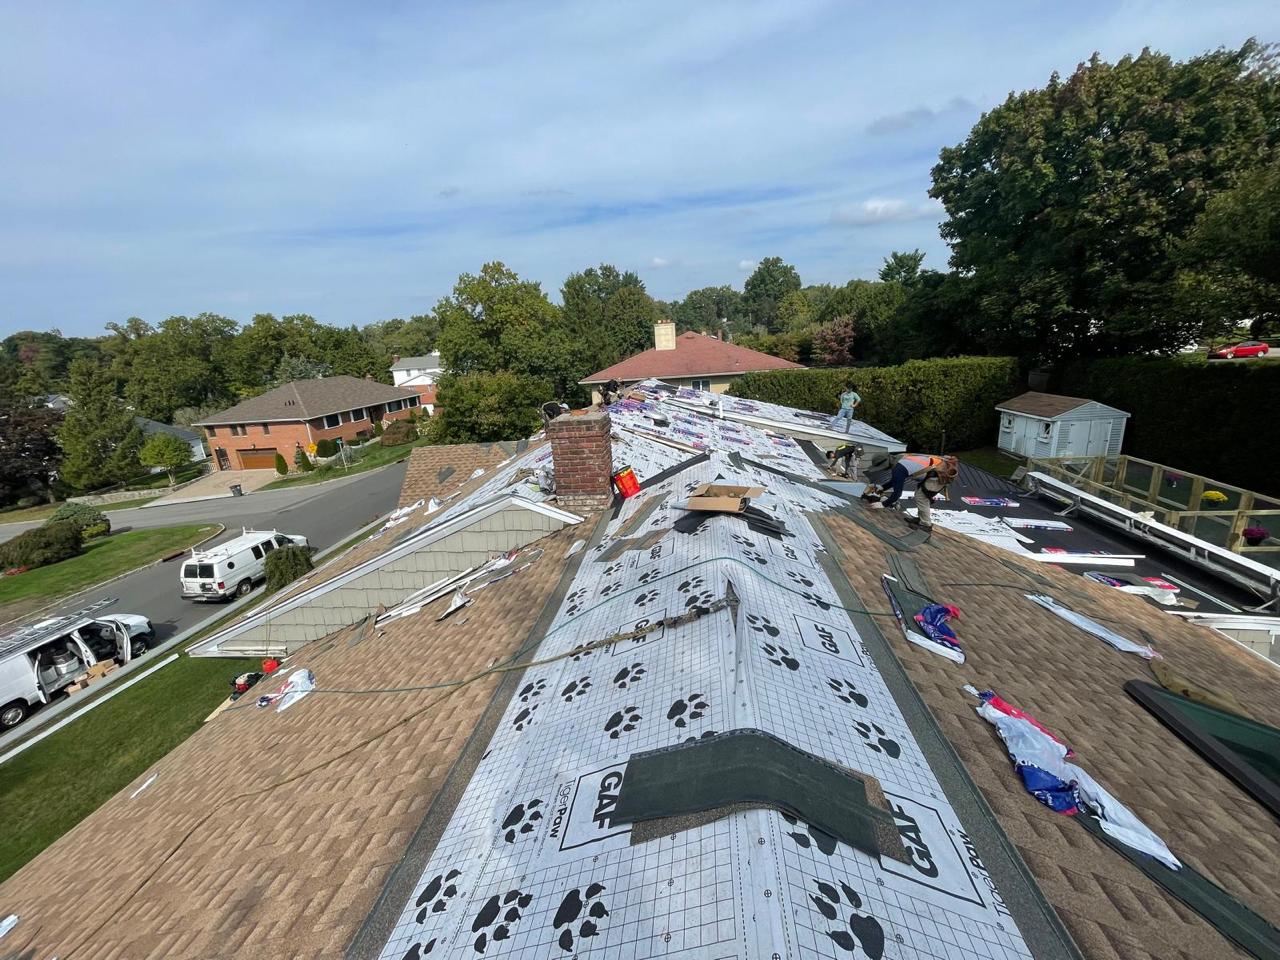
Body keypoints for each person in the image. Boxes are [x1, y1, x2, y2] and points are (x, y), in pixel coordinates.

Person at [876, 454, 958, 520]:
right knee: (920, 495)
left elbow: (897, 494)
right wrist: (882, 488)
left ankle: (925, 524)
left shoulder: (898, 469)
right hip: (935, 471)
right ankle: (921, 519)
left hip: (941, 474)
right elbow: (895, 481)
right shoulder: (901, 459)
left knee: (921, 497)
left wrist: (883, 504)